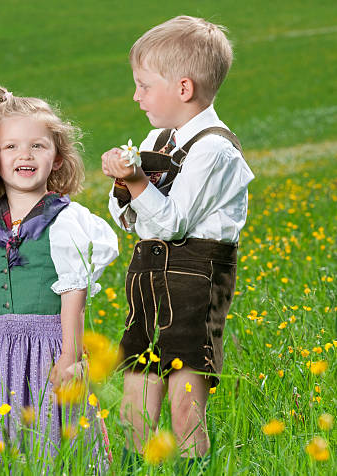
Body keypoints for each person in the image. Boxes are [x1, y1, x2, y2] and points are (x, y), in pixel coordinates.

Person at [100, 16, 254, 472]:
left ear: (183, 88)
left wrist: (135, 180)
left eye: (144, 85)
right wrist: (125, 187)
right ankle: (133, 465)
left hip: (194, 280)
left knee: (186, 401)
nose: (136, 96)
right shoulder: (156, 139)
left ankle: (192, 466)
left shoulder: (215, 150)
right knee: (136, 382)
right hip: (147, 278)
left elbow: (172, 222)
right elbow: (126, 216)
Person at [0, 87, 119, 466]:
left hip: (50, 344)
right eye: (11, 147)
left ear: (58, 157)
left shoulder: (67, 220)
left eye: (38, 146)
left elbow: (74, 291)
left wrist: (69, 354)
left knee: (55, 433)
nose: (25, 155)